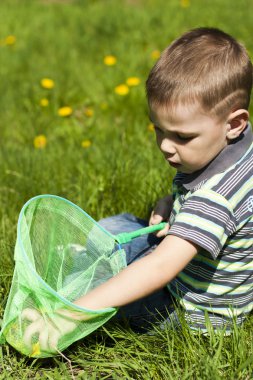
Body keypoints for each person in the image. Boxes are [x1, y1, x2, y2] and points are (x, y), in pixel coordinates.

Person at [23, 27, 253, 350]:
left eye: (182, 136)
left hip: (191, 314)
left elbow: (160, 267)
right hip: (190, 269)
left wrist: (72, 316)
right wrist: (171, 202)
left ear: (233, 123)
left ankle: (64, 298)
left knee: (114, 284)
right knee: (113, 226)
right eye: (158, 129)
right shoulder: (239, 144)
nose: (166, 147)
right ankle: (84, 263)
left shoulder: (213, 199)